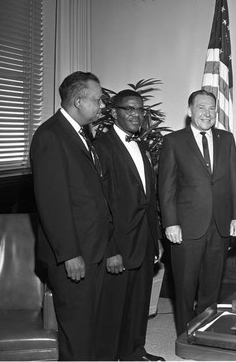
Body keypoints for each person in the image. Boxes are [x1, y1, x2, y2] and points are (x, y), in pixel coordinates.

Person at [30, 71, 112, 360]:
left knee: (89, 326)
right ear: (78, 101)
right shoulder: (51, 135)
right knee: (76, 332)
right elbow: (52, 202)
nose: (102, 106)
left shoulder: (79, 134)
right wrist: (69, 254)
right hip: (75, 253)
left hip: (92, 248)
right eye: (98, 100)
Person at [158, 89, 236, 335]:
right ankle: (186, 336)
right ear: (190, 111)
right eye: (201, 108)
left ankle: (206, 332)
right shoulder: (174, 141)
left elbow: (232, 183)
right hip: (186, 228)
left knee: (211, 286)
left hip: (219, 226)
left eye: (212, 109)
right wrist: (170, 223)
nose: (207, 113)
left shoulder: (226, 139)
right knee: (185, 287)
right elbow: (166, 188)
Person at [94, 90, 165, 361]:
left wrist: (155, 238)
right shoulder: (102, 146)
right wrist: (110, 249)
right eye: (129, 109)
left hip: (143, 240)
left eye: (140, 110)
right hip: (118, 245)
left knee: (138, 304)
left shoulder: (143, 147)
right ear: (114, 112)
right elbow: (100, 205)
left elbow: (150, 199)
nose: (137, 115)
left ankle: (134, 352)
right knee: (113, 308)